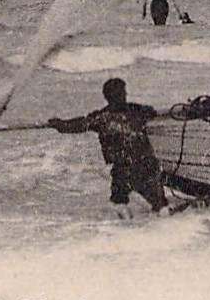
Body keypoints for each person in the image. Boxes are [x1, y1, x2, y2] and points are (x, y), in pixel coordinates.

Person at [49, 77, 191, 217]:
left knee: (119, 204)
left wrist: (59, 124)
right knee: (158, 207)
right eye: (122, 93)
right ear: (117, 95)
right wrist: (60, 124)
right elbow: (162, 114)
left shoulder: (102, 118)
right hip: (143, 168)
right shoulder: (136, 111)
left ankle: (128, 226)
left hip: (126, 170)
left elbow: (78, 125)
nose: (124, 95)